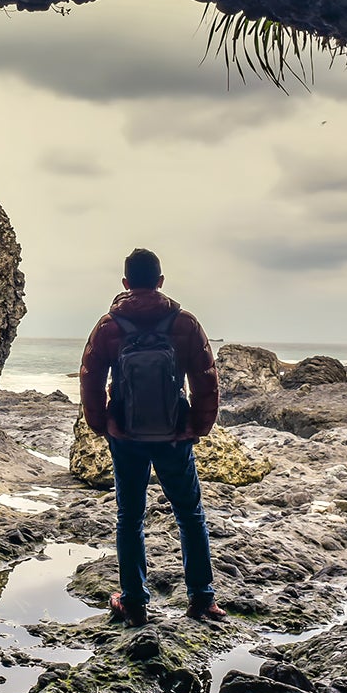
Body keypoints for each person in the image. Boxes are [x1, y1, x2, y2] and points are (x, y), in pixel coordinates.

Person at [79, 248, 223, 626]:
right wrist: (197, 426)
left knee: (130, 517)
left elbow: (90, 379)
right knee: (190, 514)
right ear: (160, 281)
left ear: (126, 283)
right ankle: (202, 599)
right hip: (174, 435)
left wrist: (102, 425)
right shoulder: (184, 323)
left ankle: (134, 603)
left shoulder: (109, 325)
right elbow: (205, 379)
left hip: (126, 436)